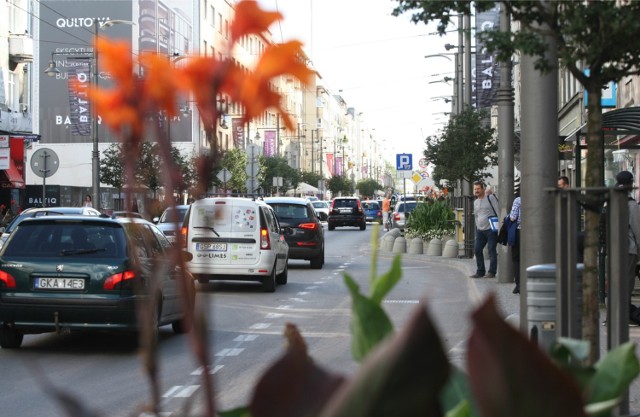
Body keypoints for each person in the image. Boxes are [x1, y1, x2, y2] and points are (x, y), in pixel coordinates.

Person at [614, 171, 640, 324]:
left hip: (615, 248)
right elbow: (638, 231)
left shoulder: (612, 201)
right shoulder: (631, 204)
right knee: (627, 283)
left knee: (617, 282)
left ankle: (615, 314)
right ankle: (624, 315)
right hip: (629, 250)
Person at [470, 181, 500, 279]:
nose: (476, 191)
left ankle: (492, 272)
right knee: (477, 250)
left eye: (478, 188)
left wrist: (499, 226)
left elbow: (498, 210)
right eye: (475, 189)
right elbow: (476, 215)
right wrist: (478, 226)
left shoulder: (490, 198)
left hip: (491, 229)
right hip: (480, 231)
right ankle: (480, 272)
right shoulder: (475, 202)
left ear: (483, 189)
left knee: (491, 250)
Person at [509, 183, 522, 294]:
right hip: (534, 233)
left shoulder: (518, 200)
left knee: (516, 259)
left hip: (519, 232)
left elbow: (513, 217)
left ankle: (519, 285)